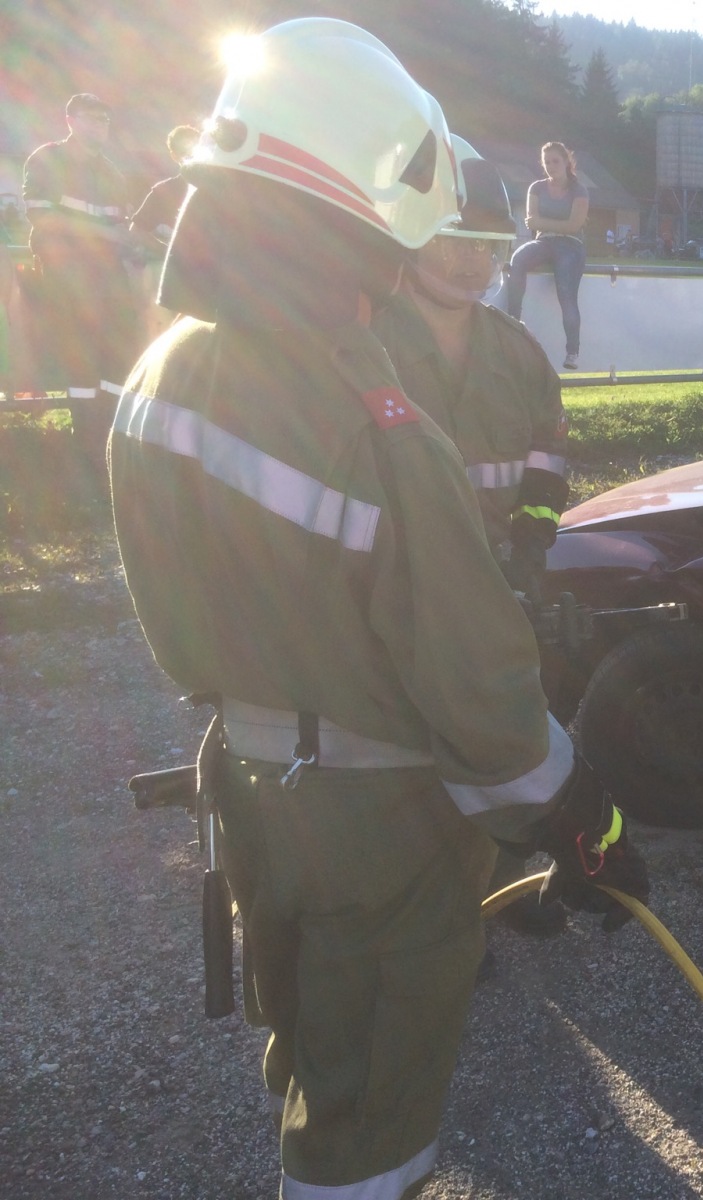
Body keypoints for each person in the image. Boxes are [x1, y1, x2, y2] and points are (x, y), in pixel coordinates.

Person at [108, 19, 647, 1199]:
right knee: (369, 1122)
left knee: (310, 1042)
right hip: (375, 829)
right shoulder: (371, 424)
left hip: (251, 786)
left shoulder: (163, 373)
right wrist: (584, 823)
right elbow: (481, 699)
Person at [370, 135, 572, 936]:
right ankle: (443, 917)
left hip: (498, 582)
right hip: (400, 592)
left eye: (486, 245)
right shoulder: (362, 346)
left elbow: (549, 450)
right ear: (406, 234)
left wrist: (534, 536)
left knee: (505, 734)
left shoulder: (516, 349)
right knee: (412, 754)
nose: (470, 262)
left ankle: (507, 888)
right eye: (452, 239)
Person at [22, 92, 143, 475]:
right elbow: (43, 218)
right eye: (91, 118)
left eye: (104, 120)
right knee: (79, 358)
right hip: (68, 277)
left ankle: (110, 442)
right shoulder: (47, 159)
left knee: (116, 357)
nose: (100, 126)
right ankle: (85, 446)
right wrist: (105, 235)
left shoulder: (112, 173)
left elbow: (121, 227)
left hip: (109, 278)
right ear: (70, 120)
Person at [505, 140, 587, 371]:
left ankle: (572, 351)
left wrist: (545, 223)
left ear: (566, 162)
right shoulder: (536, 188)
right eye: (547, 162)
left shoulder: (579, 189)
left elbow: (574, 226)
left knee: (566, 292)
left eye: (555, 161)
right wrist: (556, 225)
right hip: (544, 242)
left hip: (571, 246)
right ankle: (513, 324)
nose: (551, 166)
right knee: (518, 259)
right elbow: (531, 222)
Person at [128, 124, 201, 251]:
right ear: (174, 156)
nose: (191, 155)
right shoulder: (164, 191)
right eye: (184, 151)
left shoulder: (219, 188)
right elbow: (136, 231)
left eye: (196, 149)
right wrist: (169, 250)